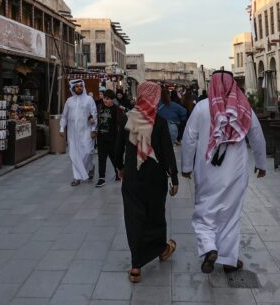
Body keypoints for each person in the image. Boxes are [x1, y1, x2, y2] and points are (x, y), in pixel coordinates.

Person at [181, 71, 266, 274]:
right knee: (230, 213)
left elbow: (189, 139)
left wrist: (186, 167)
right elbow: (257, 136)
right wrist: (261, 164)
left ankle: (209, 248)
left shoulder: (201, 108)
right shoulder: (243, 107)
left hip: (207, 169)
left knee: (205, 211)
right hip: (235, 172)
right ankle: (228, 260)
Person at [115, 81, 179, 283]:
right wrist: (174, 178)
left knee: (134, 219)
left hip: (133, 177)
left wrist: (120, 168)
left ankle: (136, 266)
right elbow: (167, 152)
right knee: (155, 216)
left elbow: (117, 150)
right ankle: (160, 249)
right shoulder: (158, 121)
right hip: (155, 177)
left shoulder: (127, 118)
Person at [60, 79, 97, 186]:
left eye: (81, 86)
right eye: (77, 86)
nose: (79, 88)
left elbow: (93, 115)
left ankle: (90, 167)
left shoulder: (89, 100)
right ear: (73, 88)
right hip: (72, 134)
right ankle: (77, 177)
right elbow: (64, 116)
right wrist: (62, 128)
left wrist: (94, 129)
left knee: (87, 152)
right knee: (74, 155)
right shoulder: (69, 101)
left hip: (86, 131)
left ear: (83, 87)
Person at [96, 89, 125, 187]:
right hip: (101, 138)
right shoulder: (99, 107)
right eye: (104, 98)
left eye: (107, 99)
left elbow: (121, 124)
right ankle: (101, 178)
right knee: (101, 158)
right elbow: (93, 115)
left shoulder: (117, 110)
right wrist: (90, 119)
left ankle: (118, 173)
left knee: (115, 158)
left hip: (113, 138)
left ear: (112, 99)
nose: (105, 100)